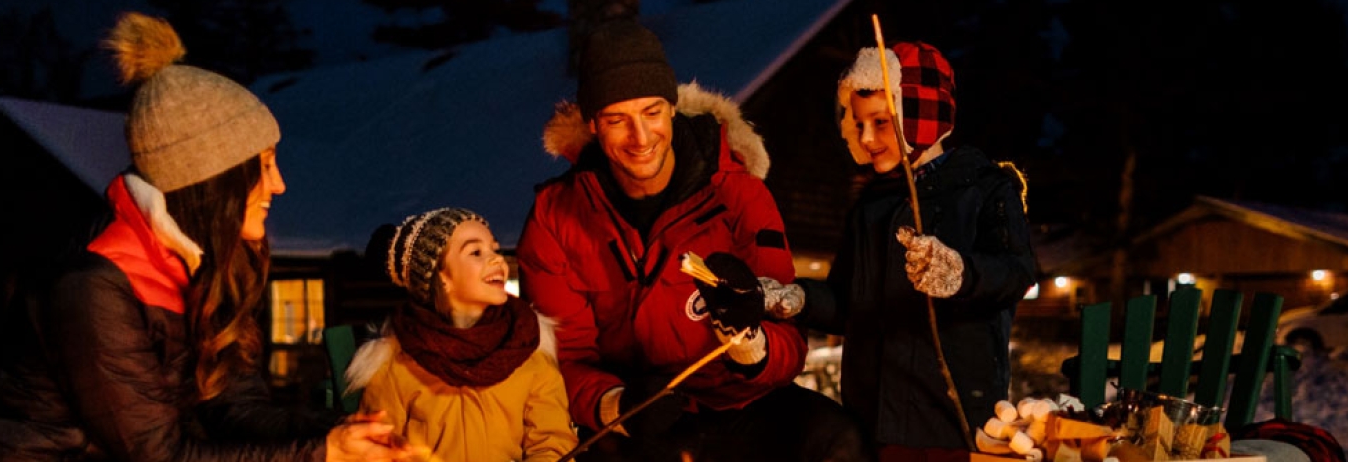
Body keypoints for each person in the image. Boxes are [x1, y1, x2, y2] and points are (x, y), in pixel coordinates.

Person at [0, 12, 403, 461]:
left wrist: (343, 435)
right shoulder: (93, 285)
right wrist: (320, 453)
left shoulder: (200, 266)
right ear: (213, 178)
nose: (279, 184)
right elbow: (156, 454)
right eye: (263, 166)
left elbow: (236, 410)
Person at [518, 19, 868, 462]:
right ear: (592, 123)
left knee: (836, 439)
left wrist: (750, 343)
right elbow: (562, 360)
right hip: (630, 411)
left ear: (671, 108)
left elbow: (787, 338)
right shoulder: (558, 215)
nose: (640, 137)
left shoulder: (737, 194)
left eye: (651, 112)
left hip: (736, 399)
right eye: (617, 119)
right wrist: (618, 406)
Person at [794, 41, 1040, 461]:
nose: (866, 138)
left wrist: (961, 273)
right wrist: (793, 297)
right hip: (872, 420)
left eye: (881, 122)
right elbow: (846, 303)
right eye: (858, 124)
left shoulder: (984, 188)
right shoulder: (872, 205)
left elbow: (1017, 272)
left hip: (951, 425)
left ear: (919, 116)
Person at [342, 207, 576, 461]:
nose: (497, 259)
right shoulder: (396, 365)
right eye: (476, 252)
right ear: (441, 278)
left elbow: (552, 442)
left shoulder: (527, 350)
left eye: (494, 249)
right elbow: (376, 452)